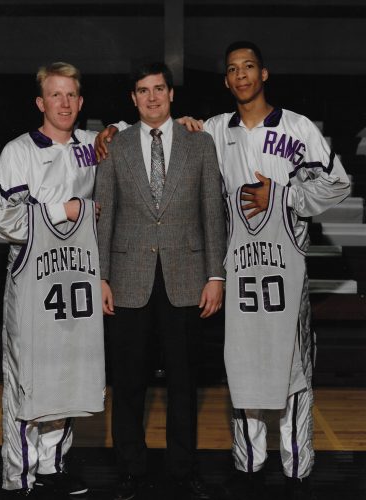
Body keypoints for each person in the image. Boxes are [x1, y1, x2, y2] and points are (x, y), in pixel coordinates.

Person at [94, 42, 350, 500]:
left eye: (248, 67)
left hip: (281, 265)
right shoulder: (211, 129)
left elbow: (338, 183)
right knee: (242, 366)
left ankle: (296, 466)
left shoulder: (296, 127)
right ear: (226, 81)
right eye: (232, 70)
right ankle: (247, 464)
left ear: (264, 73)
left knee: (290, 368)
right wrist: (112, 128)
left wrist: (286, 196)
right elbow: (151, 133)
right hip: (236, 272)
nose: (241, 75)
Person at [93, 61, 227, 500]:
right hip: (129, 278)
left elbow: (213, 212)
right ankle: (130, 468)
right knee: (128, 381)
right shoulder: (117, 145)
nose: (151, 97)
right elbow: (106, 213)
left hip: (187, 278)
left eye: (159, 89)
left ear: (171, 94)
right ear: (133, 98)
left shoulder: (200, 143)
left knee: (184, 382)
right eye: (143, 91)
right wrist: (102, 277)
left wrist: (214, 274)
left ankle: (183, 468)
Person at [0, 62, 105, 498]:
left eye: (71, 95)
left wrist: (184, 122)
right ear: (41, 102)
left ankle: (54, 466)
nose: (64, 103)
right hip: (31, 281)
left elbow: (140, 137)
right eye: (55, 95)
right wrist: (65, 209)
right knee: (28, 378)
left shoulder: (92, 147)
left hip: (75, 280)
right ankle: (19, 475)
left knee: (66, 375)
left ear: (80, 101)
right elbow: (5, 220)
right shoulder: (18, 151)